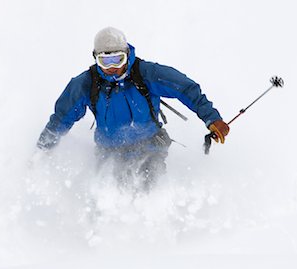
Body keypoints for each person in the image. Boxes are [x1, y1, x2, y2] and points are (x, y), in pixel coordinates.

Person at [37, 27, 229, 191]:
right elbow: (61, 119)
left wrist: (211, 118)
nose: (112, 67)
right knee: (107, 197)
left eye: (117, 60)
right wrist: (41, 151)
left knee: (150, 190)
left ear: (127, 54)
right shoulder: (86, 84)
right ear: (96, 58)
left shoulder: (146, 74)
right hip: (109, 153)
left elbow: (186, 89)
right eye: (105, 61)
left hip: (150, 148)